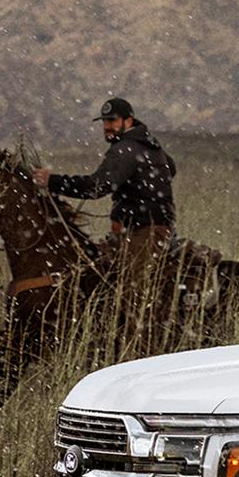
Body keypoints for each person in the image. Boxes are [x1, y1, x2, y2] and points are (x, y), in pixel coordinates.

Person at [32, 97, 178, 318]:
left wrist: (52, 182)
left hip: (145, 233)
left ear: (128, 120)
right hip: (144, 230)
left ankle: (138, 348)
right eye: (104, 122)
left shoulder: (126, 148)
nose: (107, 127)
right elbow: (171, 168)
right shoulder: (149, 144)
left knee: (130, 297)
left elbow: (96, 187)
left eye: (112, 120)